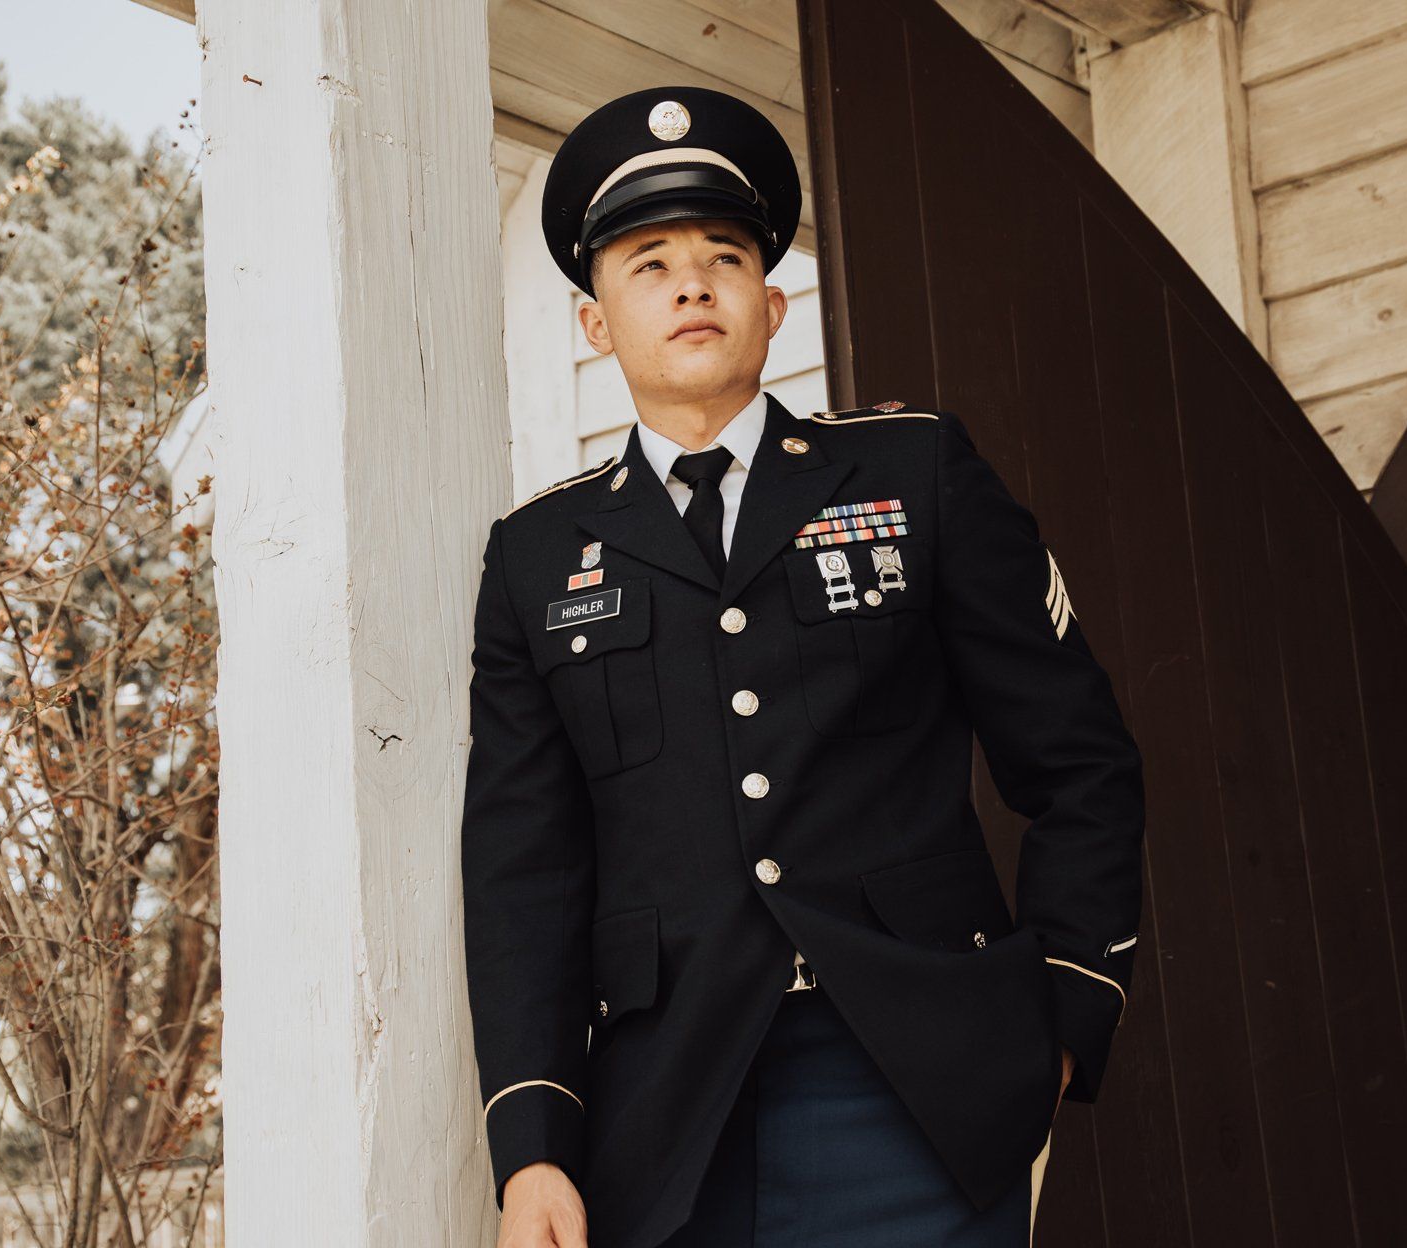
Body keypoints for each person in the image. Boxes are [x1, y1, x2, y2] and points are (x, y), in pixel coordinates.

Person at [460, 83, 1146, 1248]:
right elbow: (523, 861)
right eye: (649, 262)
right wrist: (532, 1142)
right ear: (595, 324)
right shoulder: (537, 557)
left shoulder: (911, 475)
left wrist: (1072, 1004)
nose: (690, 283)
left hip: (918, 1083)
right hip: (665, 1113)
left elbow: (1078, 758)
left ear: (772, 308)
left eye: (723, 256)